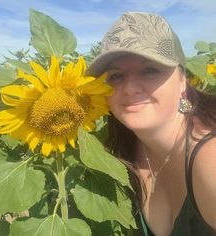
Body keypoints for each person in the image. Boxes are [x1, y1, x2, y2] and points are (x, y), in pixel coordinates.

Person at [86, 12, 216, 236]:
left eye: (149, 70)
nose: (129, 88)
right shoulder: (115, 151)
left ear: (183, 79)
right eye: (116, 76)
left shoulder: (209, 161)